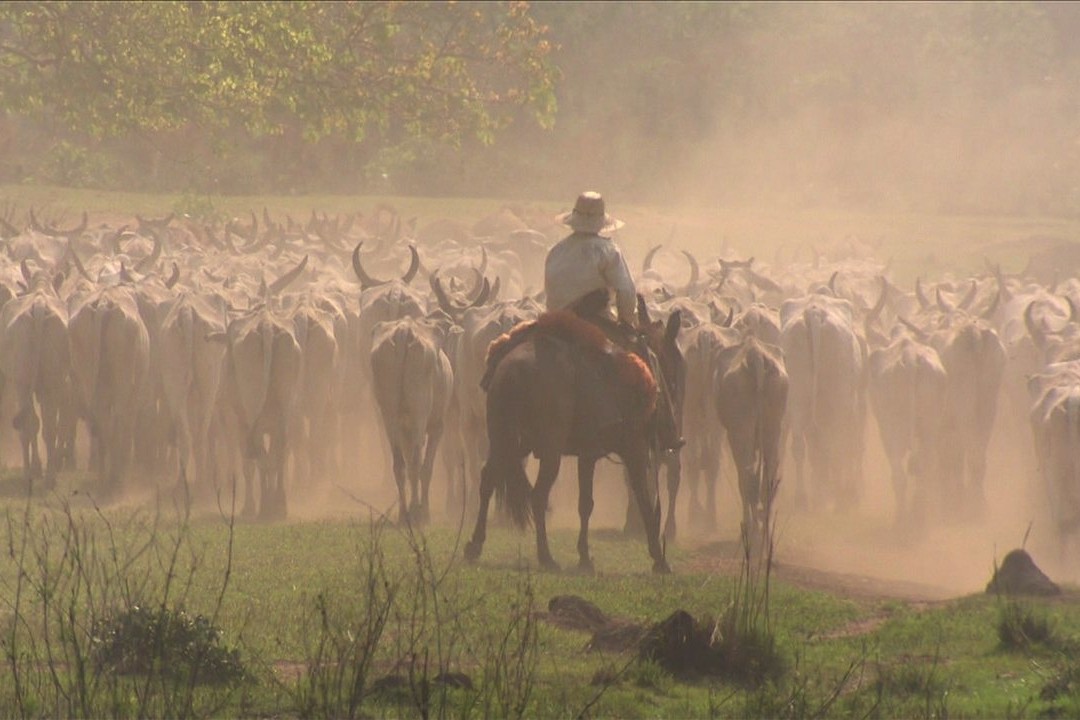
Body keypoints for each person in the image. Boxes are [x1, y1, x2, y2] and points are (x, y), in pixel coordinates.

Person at [544, 191, 683, 453]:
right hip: (593, 321)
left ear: (573, 220)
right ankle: (667, 430)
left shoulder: (556, 251)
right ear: (601, 222)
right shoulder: (607, 250)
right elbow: (627, 292)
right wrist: (627, 324)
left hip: (555, 322)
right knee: (648, 358)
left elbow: (551, 293)